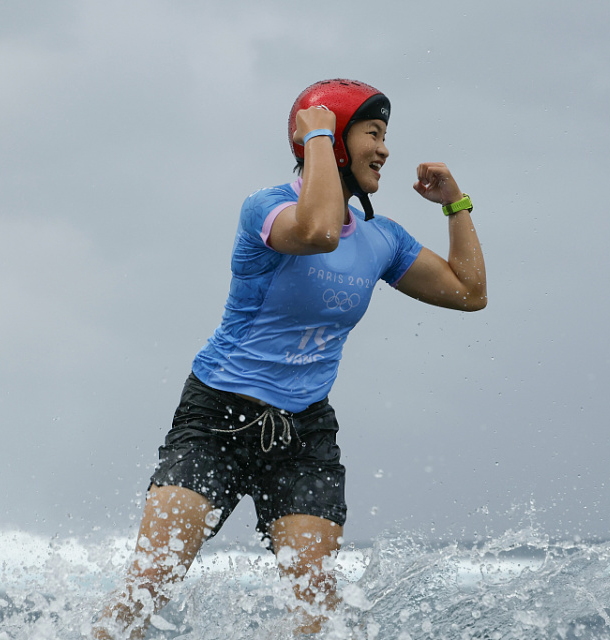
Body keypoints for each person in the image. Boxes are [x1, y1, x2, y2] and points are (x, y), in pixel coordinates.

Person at [92, 78, 486, 638]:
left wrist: (456, 205)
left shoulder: (382, 239)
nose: (386, 149)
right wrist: (319, 135)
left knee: (316, 609)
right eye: (373, 133)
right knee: (149, 584)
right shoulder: (267, 208)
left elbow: (469, 293)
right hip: (216, 417)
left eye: (385, 135)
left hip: (303, 433)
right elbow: (319, 230)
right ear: (334, 140)